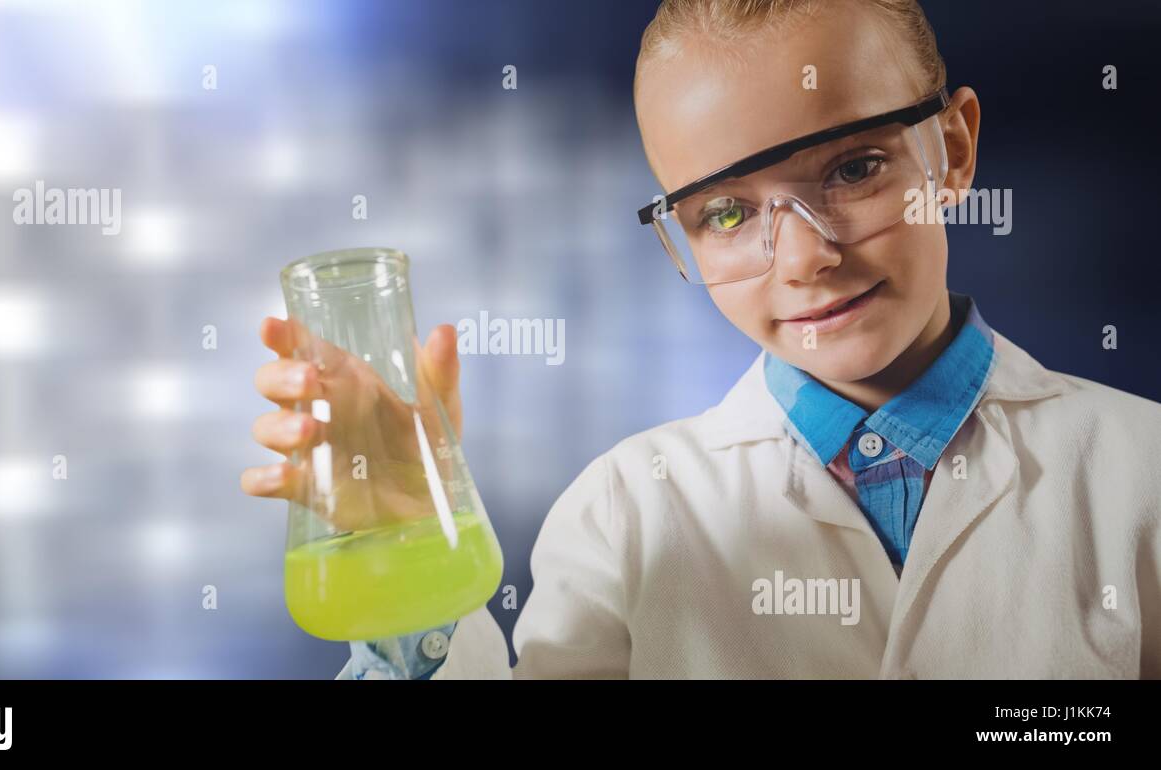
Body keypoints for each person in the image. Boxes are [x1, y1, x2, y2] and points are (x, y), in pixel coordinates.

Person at [241, 0, 1161, 678]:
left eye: (855, 167)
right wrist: (418, 568)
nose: (805, 255)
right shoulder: (623, 513)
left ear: (954, 150)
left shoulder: (1139, 474)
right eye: (725, 213)